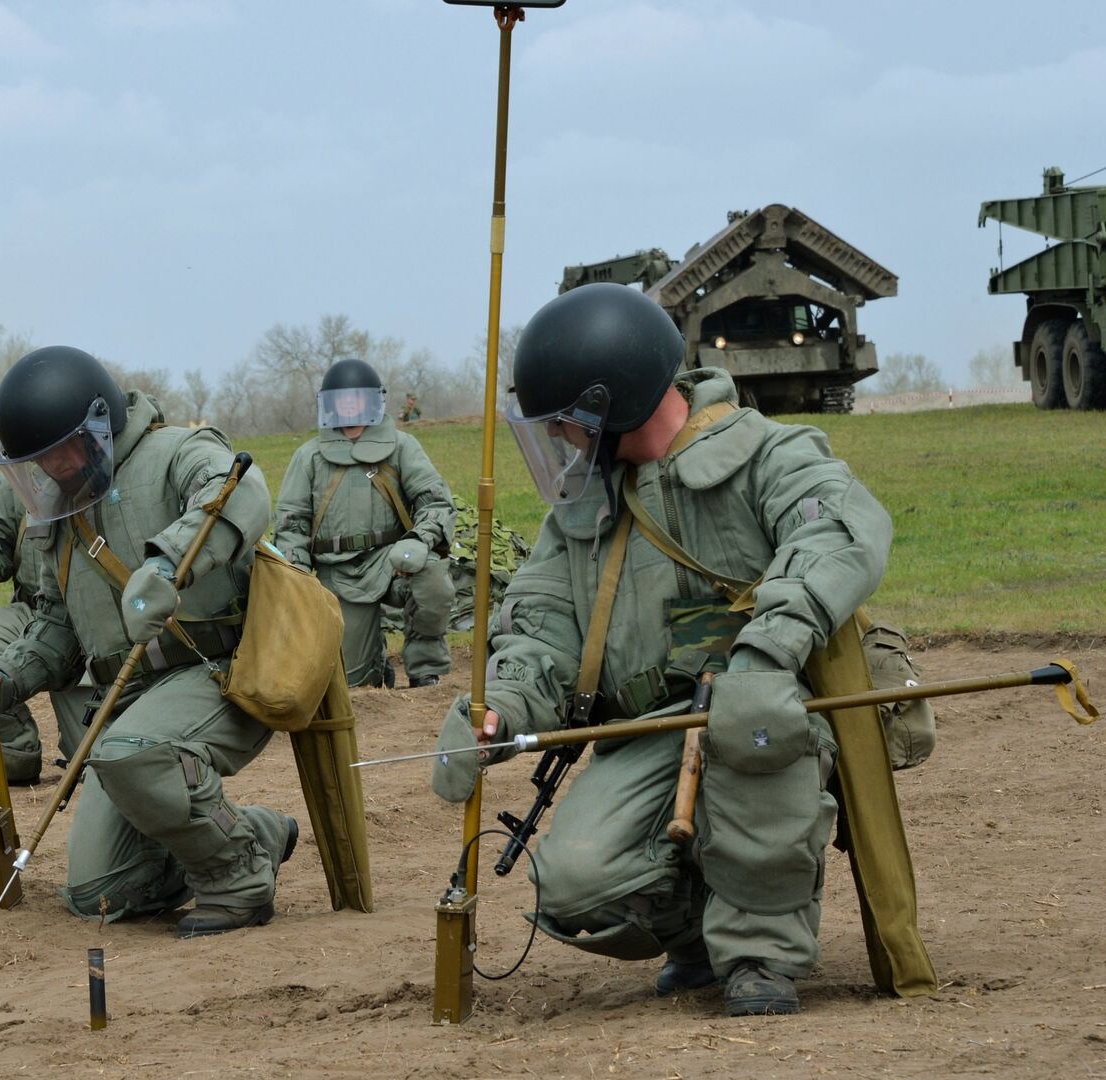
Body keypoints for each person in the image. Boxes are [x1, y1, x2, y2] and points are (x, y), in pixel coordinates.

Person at [430, 283, 893, 1017]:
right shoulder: (583, 507)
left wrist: (765, 651)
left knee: (751, 728)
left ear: (609, 406)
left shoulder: (771, 453)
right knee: (575, 879)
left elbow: (841, 533)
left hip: (769, 703)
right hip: (649, 726)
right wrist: (502, 706)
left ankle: (760, 953)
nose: (563, 442)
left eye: (569, 423)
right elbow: (540, 625)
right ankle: (700, 937)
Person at [0, 345, 297, 937]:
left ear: (100, 419)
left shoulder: (176, 451)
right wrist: (6, 679)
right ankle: (254, 832)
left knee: (126, 751)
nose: (58, 468)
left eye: (63, 449)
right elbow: (58, 625)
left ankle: (239, 880)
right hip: (128, 705)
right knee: (97, 893)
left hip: (220, 671)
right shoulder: (56, 513)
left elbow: (241, 491)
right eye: (41, 460)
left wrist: (169, 564)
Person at [274, 359, 456, 688]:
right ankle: (377, 664)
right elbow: (292, 522)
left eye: (356, 398)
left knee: (432, 577)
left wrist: (419, 539)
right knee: (354, 686)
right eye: (340, 400)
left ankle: (424, 670)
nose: (348, 406)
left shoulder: (402, 447)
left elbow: (436, 502)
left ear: (372, 401)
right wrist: (297, 574)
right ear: (328, 406)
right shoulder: (309, 456)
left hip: (392, 562)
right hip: (336, 573)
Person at [0, 473, 94, 793]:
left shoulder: (108, 462)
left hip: (95, 615)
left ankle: (90, 752)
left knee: (101, 765)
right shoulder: (19, 474)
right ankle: (14, 757)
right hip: (34, 610)